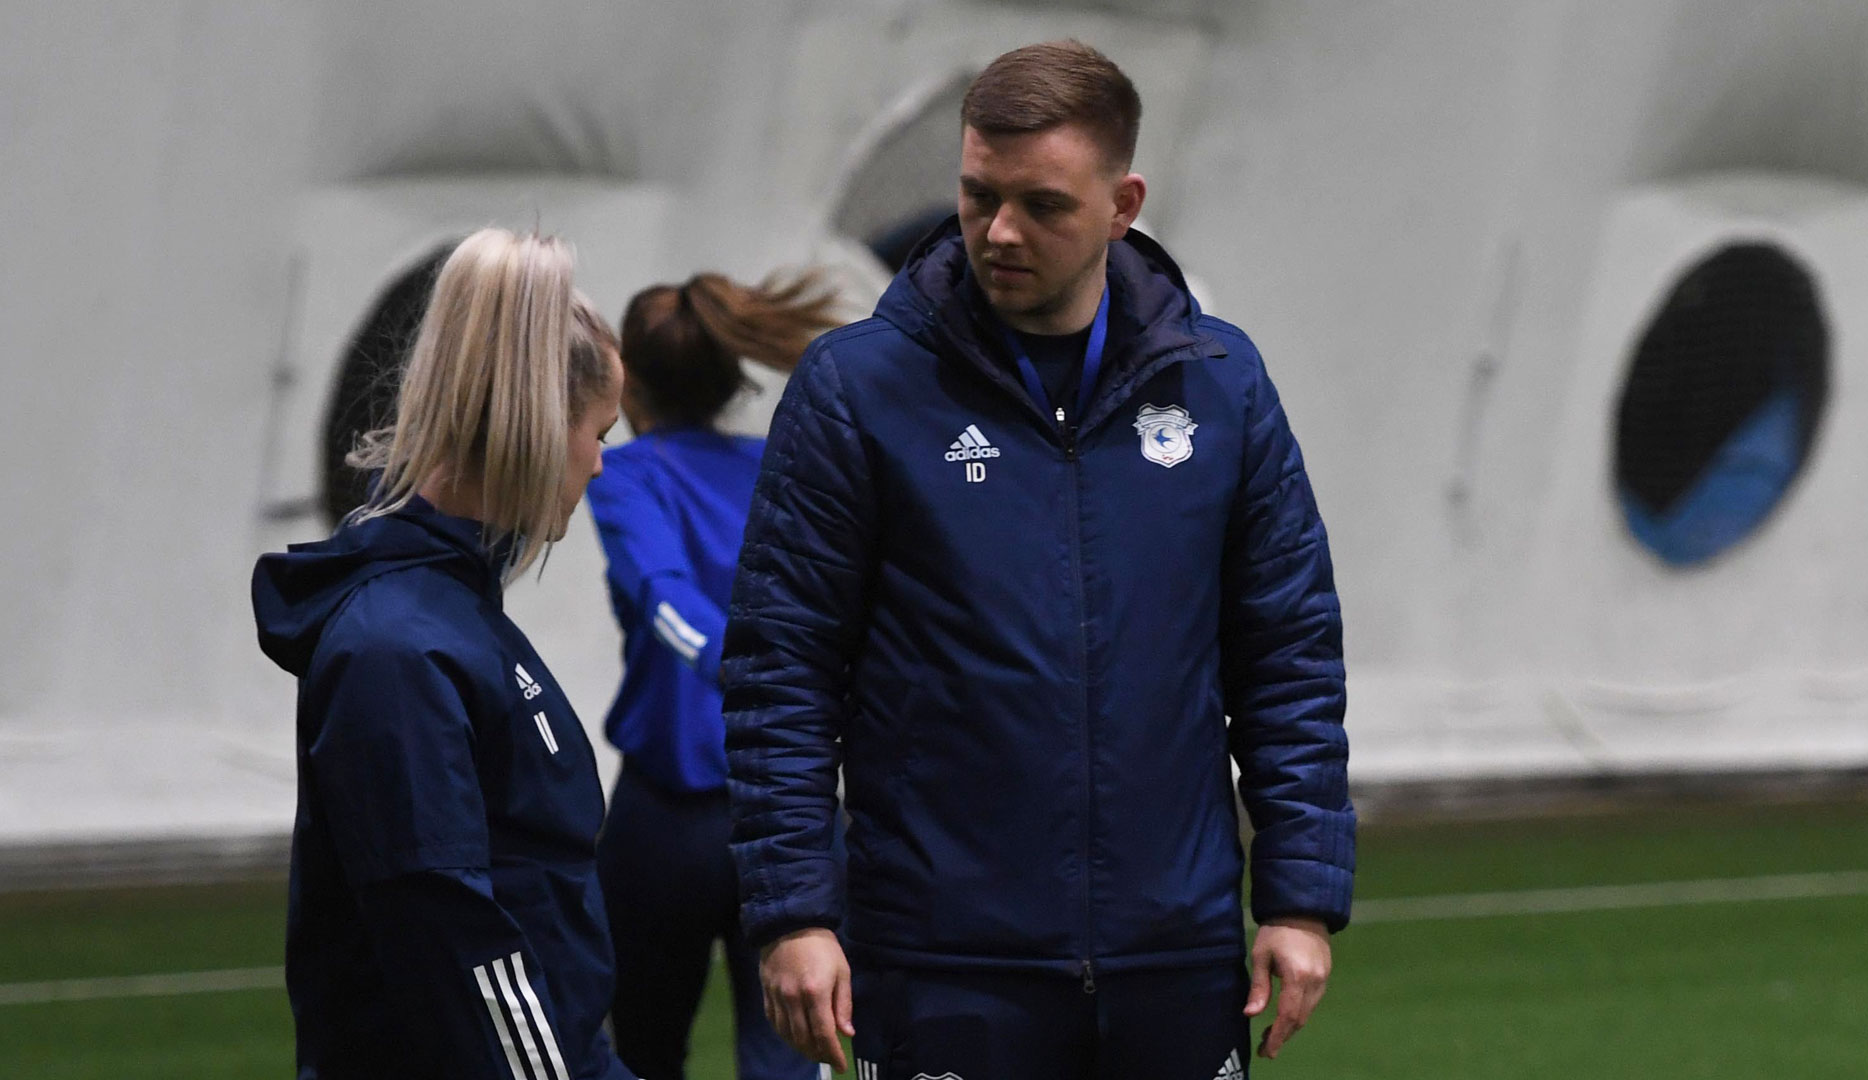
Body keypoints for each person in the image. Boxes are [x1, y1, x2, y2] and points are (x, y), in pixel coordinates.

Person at [723, 40, 1355, 1079]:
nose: (999, 231)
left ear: (1124, 202)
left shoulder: (1223, 386)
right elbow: (779, 668)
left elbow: (1288, 655)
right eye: (978, 196)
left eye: (1043, 204)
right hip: (942, 960)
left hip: (1176, 958)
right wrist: (793, 911)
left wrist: (1298, 897)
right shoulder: (857, 390)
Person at [252, 227, 637, 1080]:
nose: (601, 466)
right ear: (539, 425)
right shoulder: (399, 650)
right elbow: (451, 937)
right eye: (599, 432)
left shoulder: (457, 619)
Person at [588, 272, 839, 1080]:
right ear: (732, 374)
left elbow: (664, 598)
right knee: (787, 1059)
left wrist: (734, 668)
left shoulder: (624, 478)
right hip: (792, 807)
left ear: (626, 379)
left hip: (666, 821)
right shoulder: (781, 468)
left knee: (645, 1054)